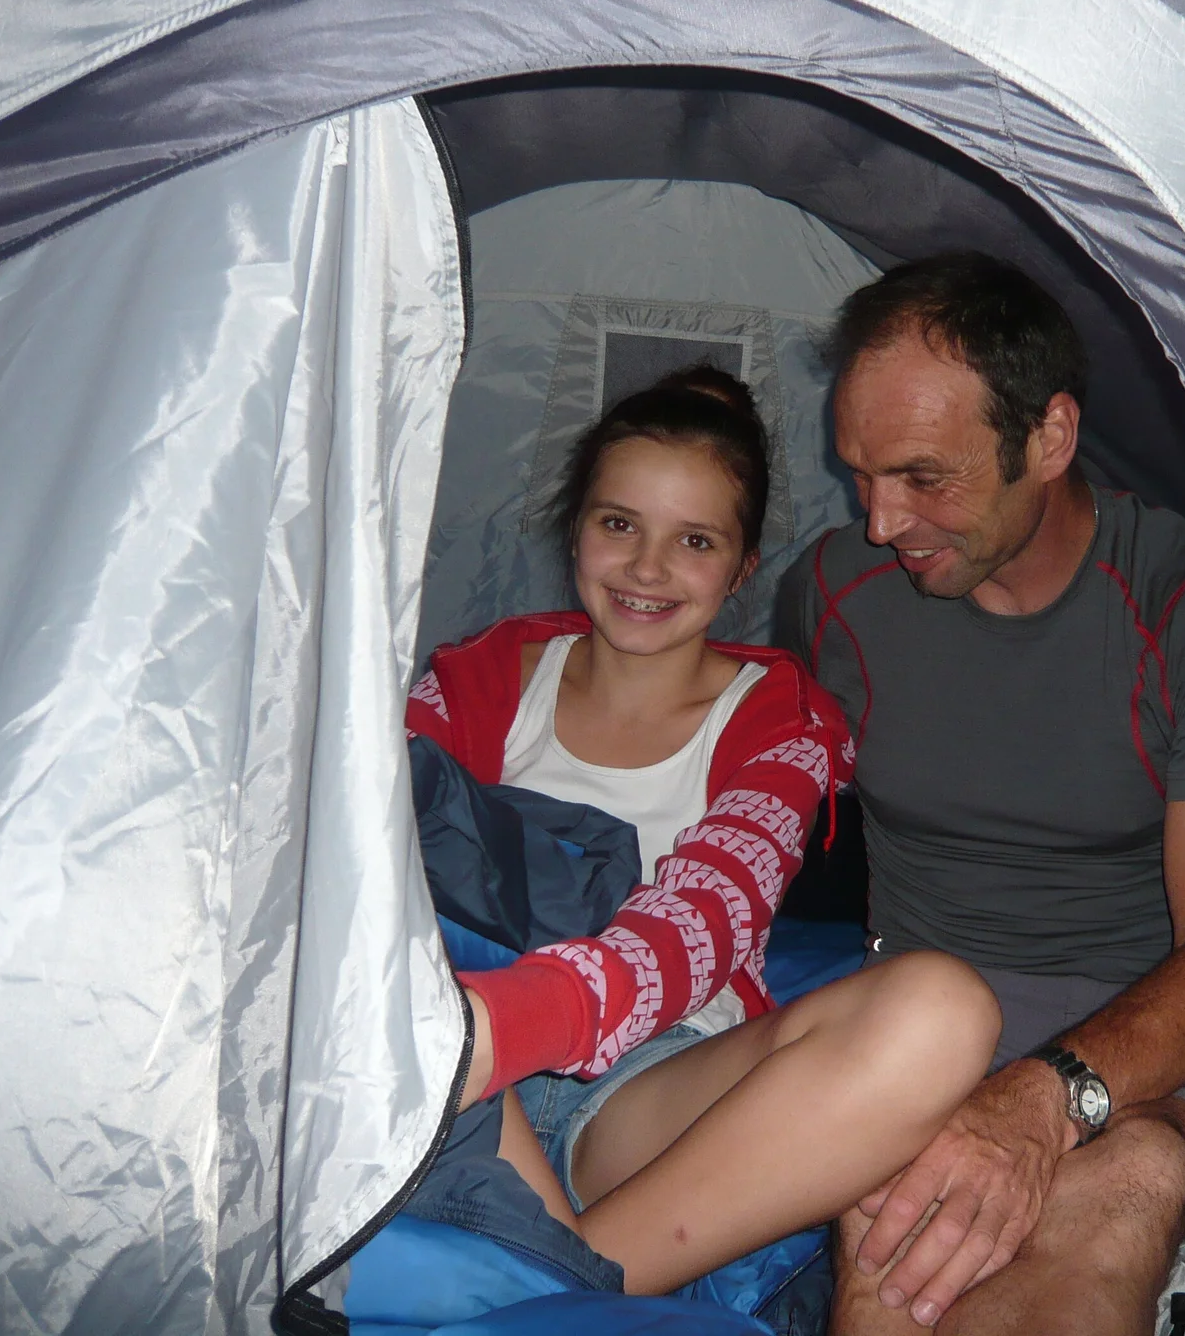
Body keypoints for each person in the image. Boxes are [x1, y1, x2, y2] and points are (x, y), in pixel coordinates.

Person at [405, 366, 1002, 1295]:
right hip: (455, 1057)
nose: (648, 569)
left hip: (641, 1089)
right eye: (619, 525)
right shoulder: (473, 684)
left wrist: (518, 1024)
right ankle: (579, 1293)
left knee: (941, 1010)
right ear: (576, 530)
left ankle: (564, 1282)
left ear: (740, 568)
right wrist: (469, 1027)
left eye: (694, 541)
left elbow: (707, 909)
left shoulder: (779, 724)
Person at [776, 255, 1185, 1335]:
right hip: (914, 1027)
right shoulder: (833, 596)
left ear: (1049, 439)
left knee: (1127, 1179)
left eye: (922, 476)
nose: (879, 521)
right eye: (860, 475)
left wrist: (1044, 1103)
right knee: (904, 1228)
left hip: (1153, 1049)